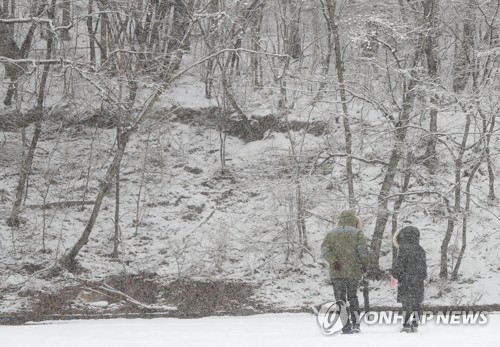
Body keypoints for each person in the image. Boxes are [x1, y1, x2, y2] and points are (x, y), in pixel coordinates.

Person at [321, 210, 369, 334]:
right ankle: (356, 324)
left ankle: (345, 325)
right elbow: (362, 250)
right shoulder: (358, 233)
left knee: (340, 300)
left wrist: (333, 261)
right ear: (354, 219)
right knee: (353, 297)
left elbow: (325, 250)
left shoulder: (331, 234)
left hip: (337, 272)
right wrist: (364, 264)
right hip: (353, 271)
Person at [392, 226, 427, 333]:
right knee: (416, 302)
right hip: (418, 280)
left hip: (406, 280)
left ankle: (406, 324)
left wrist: (395, 275)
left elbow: (400, 264)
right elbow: (423, 266)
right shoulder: (421, 249)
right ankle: (415, 323)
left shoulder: (403, 249)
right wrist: (422, 276)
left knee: (406, 302)